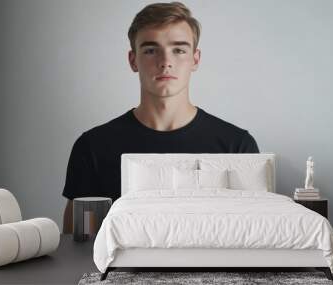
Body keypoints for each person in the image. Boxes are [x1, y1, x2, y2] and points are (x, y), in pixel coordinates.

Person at [62, 2, 259, 233]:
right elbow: (80, 246)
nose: (166, 61)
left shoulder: (236, 146)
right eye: (151, 50)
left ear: (195, 59)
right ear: (133, 60)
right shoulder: (93, 147)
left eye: (179, 49)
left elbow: (252, 236)